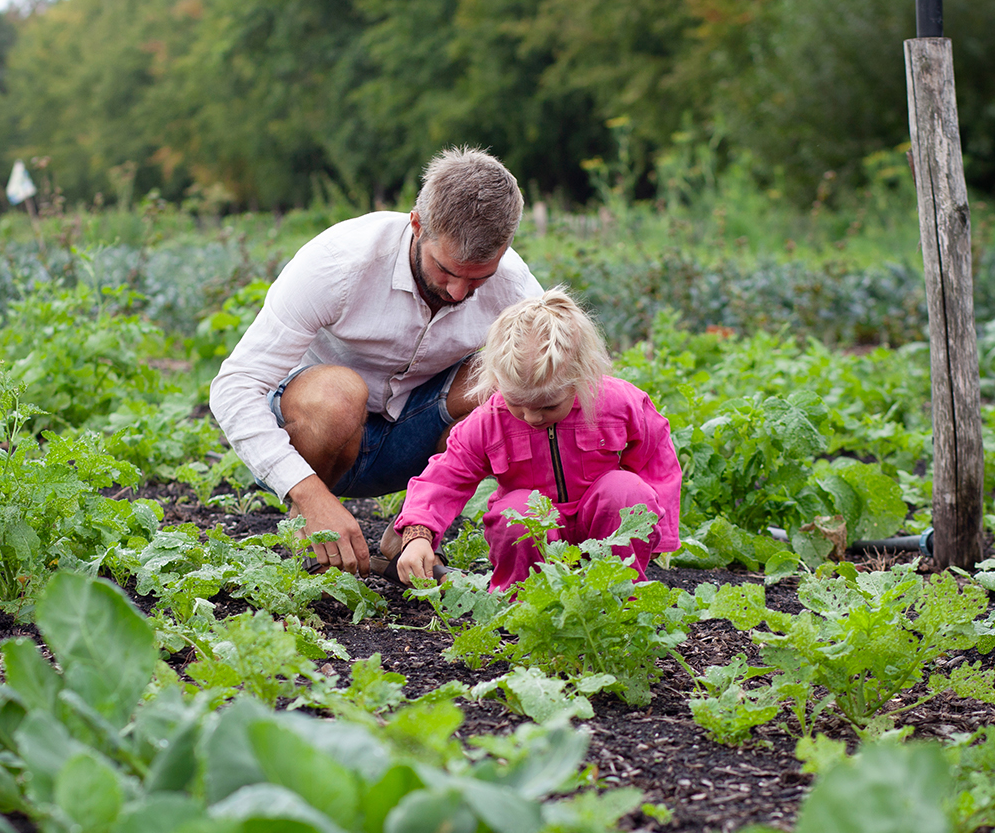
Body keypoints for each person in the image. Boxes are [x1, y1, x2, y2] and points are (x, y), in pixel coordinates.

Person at [210, 148, 543, 574]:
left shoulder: (515, 285)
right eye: (445, 270)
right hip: (319, 436)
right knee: (337, 395)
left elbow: (570, 382)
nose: (459, 292)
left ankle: (413, 530)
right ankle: (307, 530)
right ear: (417, 224)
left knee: (512, 379)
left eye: (478, 278)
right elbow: (235, 385)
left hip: (419, 438)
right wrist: (308, 493)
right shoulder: (339, 262)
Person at [388, 288, 684, 590]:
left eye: (548, 406)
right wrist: (418, 535)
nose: (531, 417)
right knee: (514, 511)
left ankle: (620, 593)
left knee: (626, 492)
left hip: (602, 528)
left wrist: (660, 529)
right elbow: (443, 479)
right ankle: (524, 603)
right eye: (517, 403)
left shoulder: (618, 404)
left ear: (581, 378)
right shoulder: (489, 421)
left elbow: (656, 457)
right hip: (534, 539)